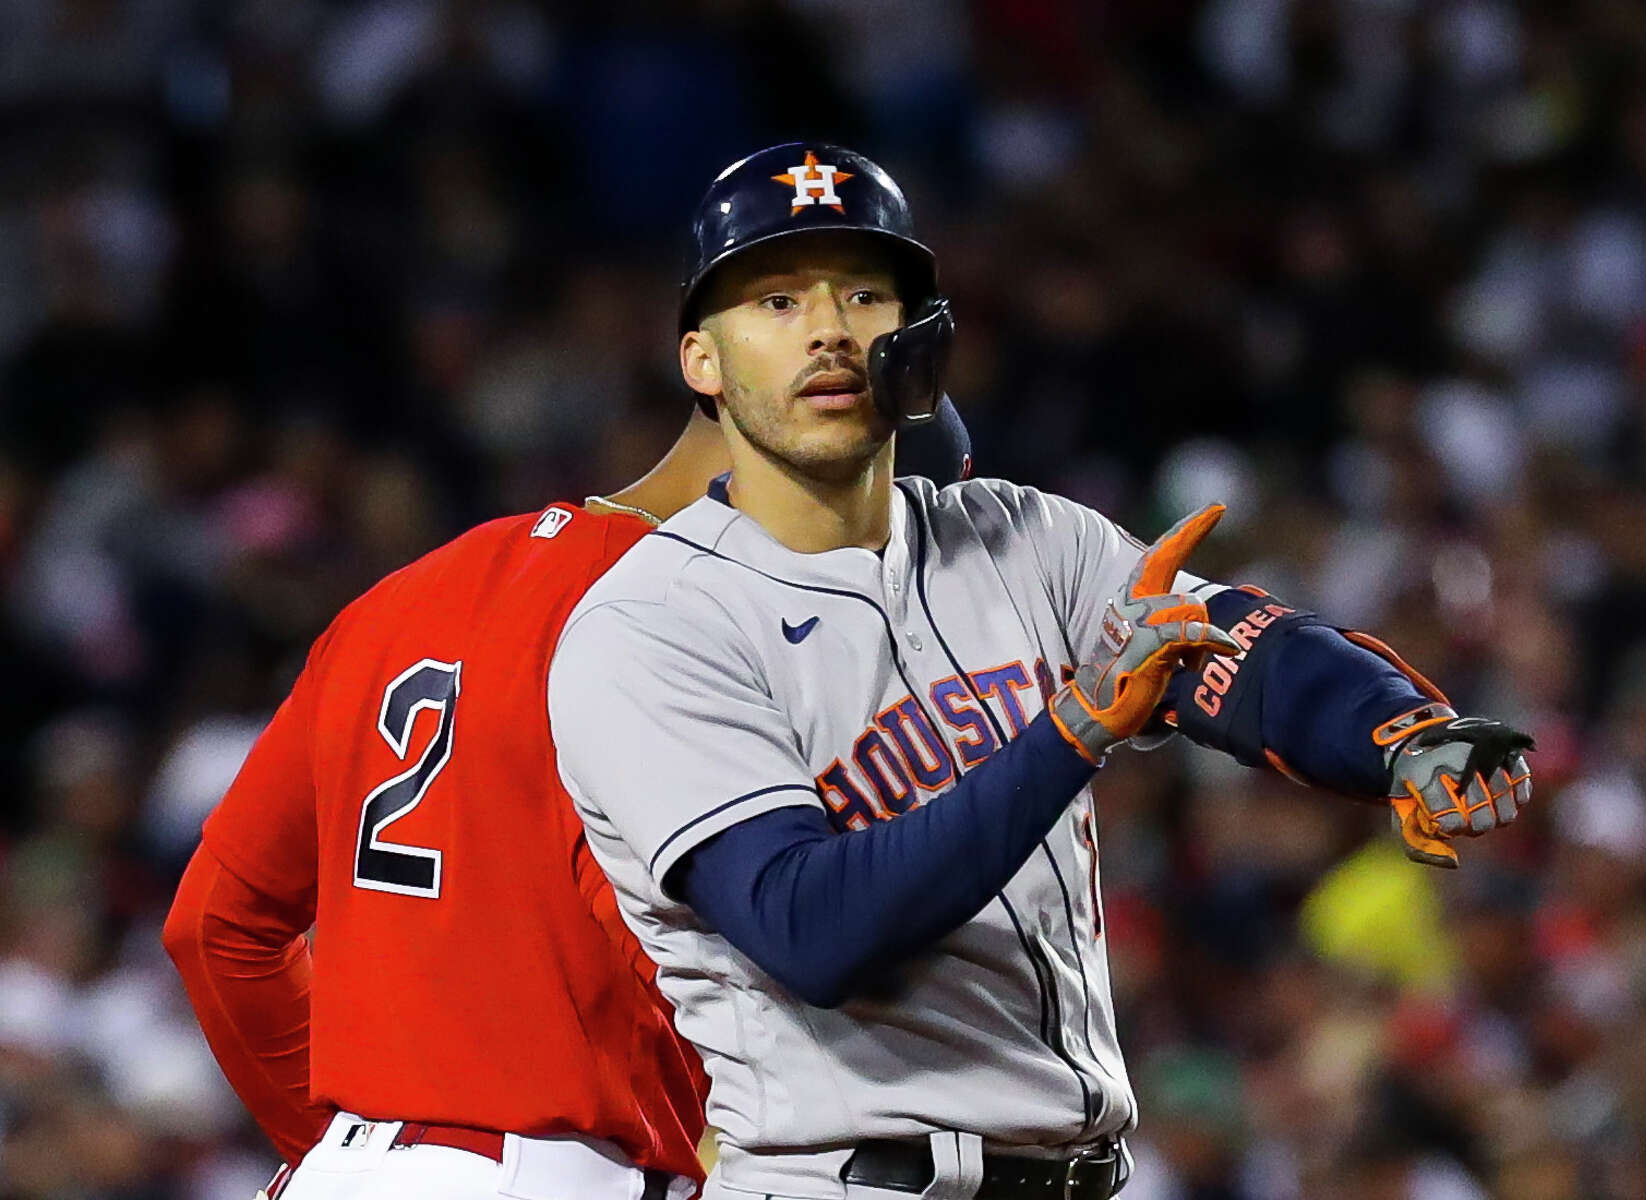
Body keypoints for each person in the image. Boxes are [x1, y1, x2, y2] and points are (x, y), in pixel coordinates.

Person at [548, 142, 1534, 1200]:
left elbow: (1236, 652)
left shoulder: (1029, 540)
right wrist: (1070, 734)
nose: (829, 328)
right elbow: (809, 929)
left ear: (921, 336)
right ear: (702, 360)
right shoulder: (651, 623)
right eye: (777, 300)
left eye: (865, 293)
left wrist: (1401, 734)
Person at [159, 254, 978, 1196]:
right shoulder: (696, 627)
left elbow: (215, 925)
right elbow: (693, 961)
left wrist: (357, 1153)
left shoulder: (405, 596)